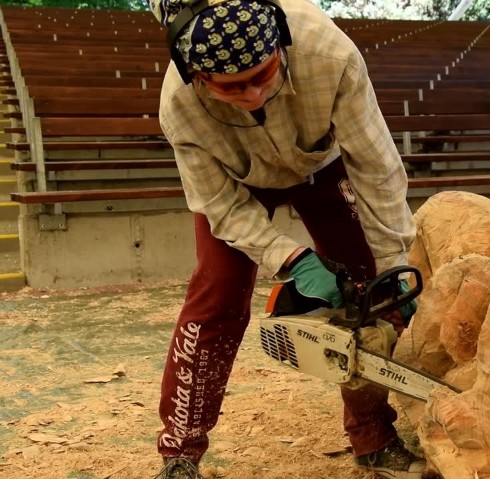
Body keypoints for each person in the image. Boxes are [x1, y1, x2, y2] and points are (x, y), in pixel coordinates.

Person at [147, 0, 431, 477]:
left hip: (321, 163)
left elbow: (375, 167)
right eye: (232, 87)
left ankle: (373, 437)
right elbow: (219, 207)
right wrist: (293, 259)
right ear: (196, 75)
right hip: (237, 185)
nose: (254, 94)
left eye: (263, 74)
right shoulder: (179, 108)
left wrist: (390, 262)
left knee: (365, 289)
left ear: (279, 42)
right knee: (215, 297)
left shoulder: (329, 53)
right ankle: (180, 453)